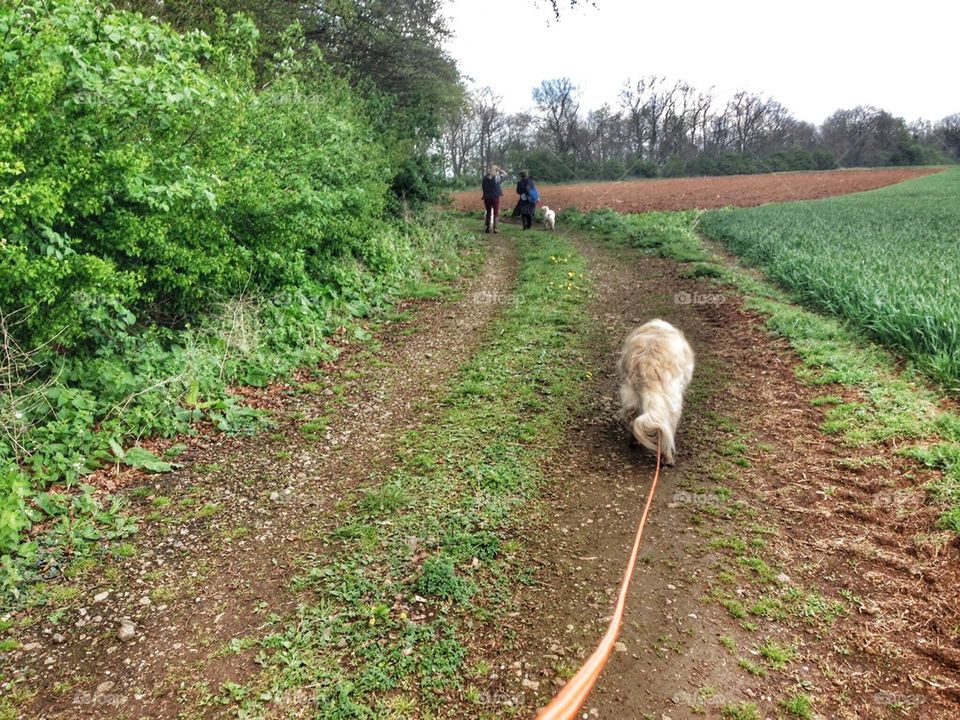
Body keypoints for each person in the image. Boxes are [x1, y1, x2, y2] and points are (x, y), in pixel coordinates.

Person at [481, 164, 507, 233]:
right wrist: (498, 169)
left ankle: (488, 228)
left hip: (487, 197)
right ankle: (496, 228)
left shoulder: (485, 178)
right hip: (495, 197)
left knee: (488, 212)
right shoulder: (497, 177)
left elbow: (483, 188)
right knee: (496, 212)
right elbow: (505, 174)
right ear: (495, 171)